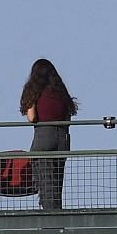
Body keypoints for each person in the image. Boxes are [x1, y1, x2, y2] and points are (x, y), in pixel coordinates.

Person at [19, 58, 77, 211]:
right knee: (57, 182)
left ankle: (49, 216)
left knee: (46, 182)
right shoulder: (61, 92)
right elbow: (68, 118)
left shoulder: (34, 90)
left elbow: (32, 118)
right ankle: (57, 212)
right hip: (62, 138)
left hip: (44, 136)